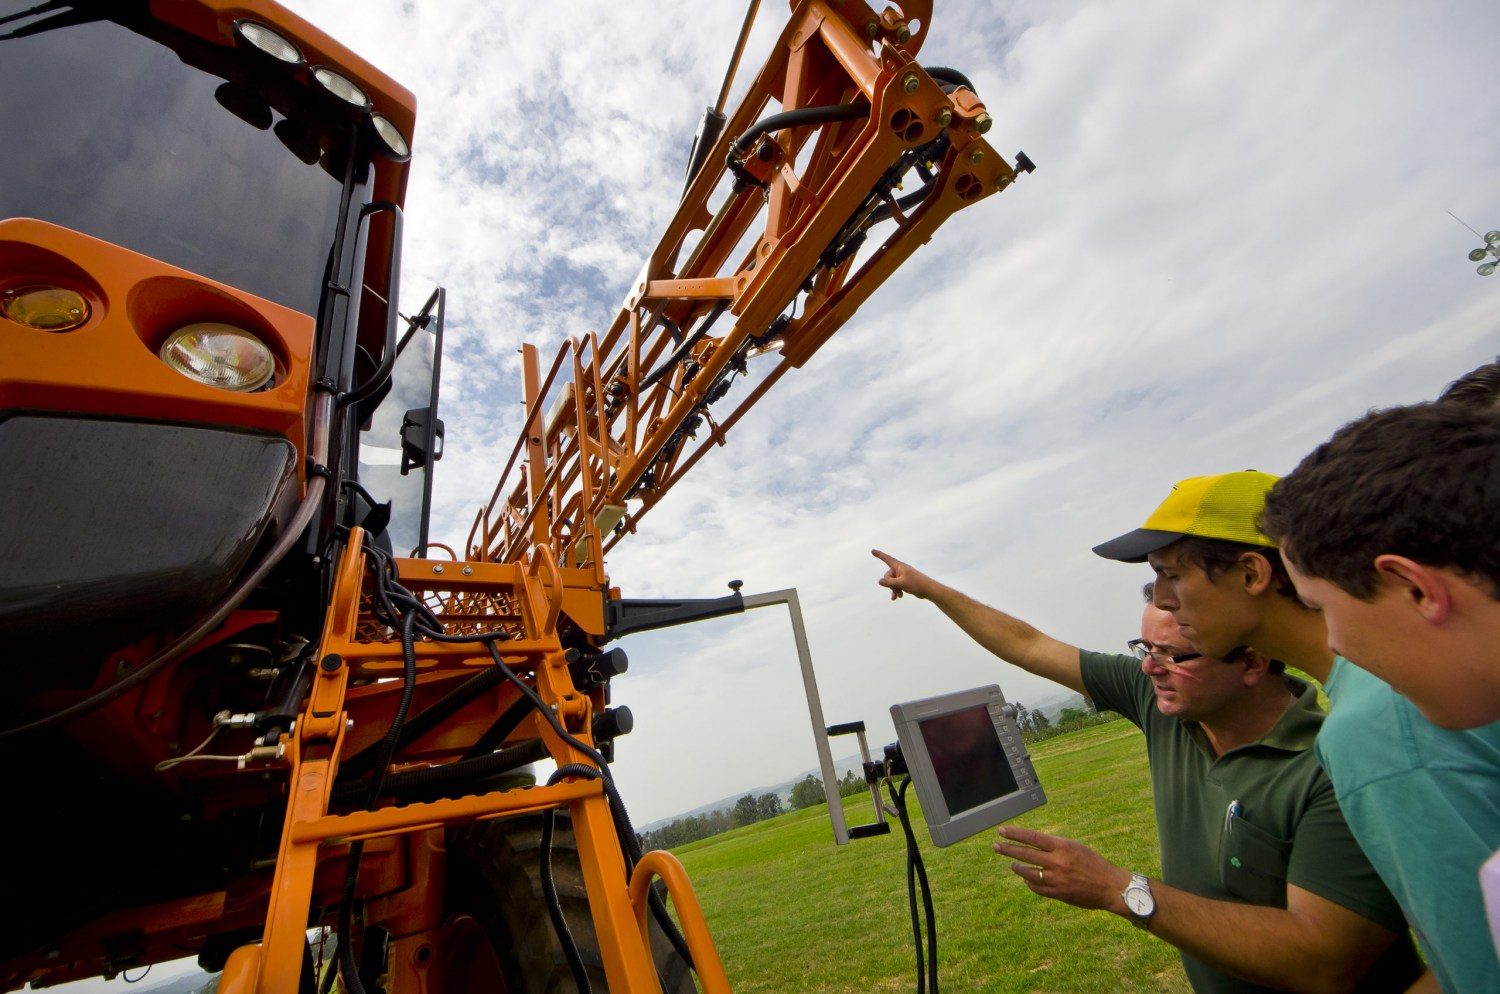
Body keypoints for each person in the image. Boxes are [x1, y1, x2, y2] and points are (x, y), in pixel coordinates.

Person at [872, 550, 1419, 994]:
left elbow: (1323, 964)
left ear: (1252, 663)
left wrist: (1118, 889)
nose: (1151, 668)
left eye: (1176, 654)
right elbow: (1029, 644)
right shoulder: (1159, 698)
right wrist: (934, 591)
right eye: (1143, 649)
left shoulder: (1330, 765)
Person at [1094, 468, 1500, 994]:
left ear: (1252, 573)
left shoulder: (1378, 727)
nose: (1163, 600)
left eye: (1173, 573)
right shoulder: (1397, 690)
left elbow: (1481, 974)